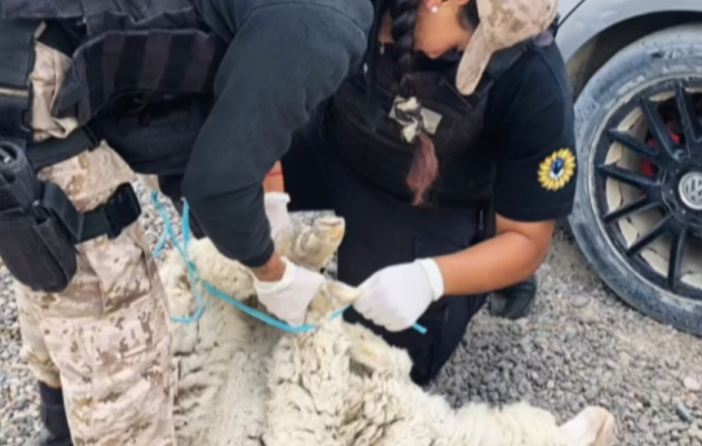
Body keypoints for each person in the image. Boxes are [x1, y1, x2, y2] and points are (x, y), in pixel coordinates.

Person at [0, 0, 373, 444]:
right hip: (43, 63)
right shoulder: (335, 22)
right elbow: (216, 189)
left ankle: (59, 426)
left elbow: (259, 81)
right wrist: (273, 274)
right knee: (113, 313)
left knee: (49, 252)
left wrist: (270, 196)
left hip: (31, 34)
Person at [272, 0, 575, 386]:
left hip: (423, 206)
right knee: (222, 194)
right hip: (330, 141)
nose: (467, 53)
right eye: (470, 39)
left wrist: (430, 278)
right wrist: (264, 199)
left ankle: (468, 282)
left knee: (381, 362)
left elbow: (527, 241)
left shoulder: (533, 75)